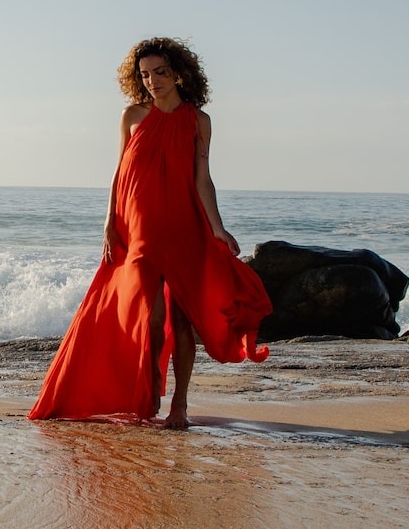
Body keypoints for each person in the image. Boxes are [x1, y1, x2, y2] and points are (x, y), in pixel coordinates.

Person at [29, 38, 270, 427]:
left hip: (184, 226)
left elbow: (202, 177)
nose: (152, 81)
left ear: (178, 73)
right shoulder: (133, 116)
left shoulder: (198, 120)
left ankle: (180, 403)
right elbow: (119, 173)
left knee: (182, 319)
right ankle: (152, 377)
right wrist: (110, 222)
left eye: (159, 72)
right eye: (144, 74)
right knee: (150, 316)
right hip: (139, 227)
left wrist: (218, 228)